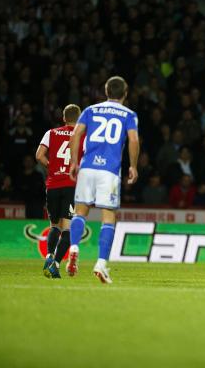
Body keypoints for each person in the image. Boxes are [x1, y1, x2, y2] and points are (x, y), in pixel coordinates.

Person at [67, 76, 139, 284]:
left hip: (87, 167)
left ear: (106, 92)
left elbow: (76, 136)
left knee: (80, 212)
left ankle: (73, 248)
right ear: (125, 94)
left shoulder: (90, 110)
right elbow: (133, 139)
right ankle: (100, 264)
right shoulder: (129, 114)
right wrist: (133, 166)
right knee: (108, 217)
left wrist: (74, 162)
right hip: (109, 171)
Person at [35, 104, 83, 278]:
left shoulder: (51, 133)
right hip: (71, 185)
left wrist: (52, 166)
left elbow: (39, 155)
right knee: (68, 229)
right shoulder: (82, 135)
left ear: (63, 118)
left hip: (53, 184)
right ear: (79, 118)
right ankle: (55, 264)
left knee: (54, 226)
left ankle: (49, 256)